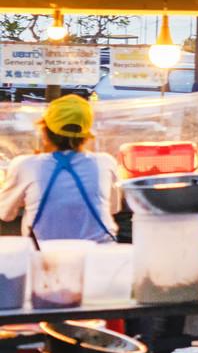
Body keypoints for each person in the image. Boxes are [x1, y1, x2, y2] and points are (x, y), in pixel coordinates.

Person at [0, 95, 121, 243]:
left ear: (44, 131)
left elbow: (5, 213)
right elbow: (113, 208)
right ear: (86, 134)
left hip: (45, 257)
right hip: (98, 255)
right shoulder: (105, 162)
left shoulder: (26, 165)